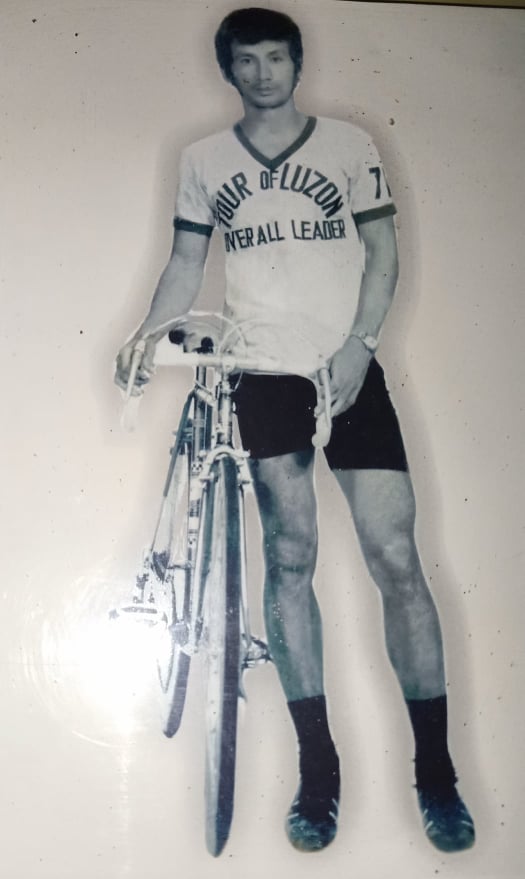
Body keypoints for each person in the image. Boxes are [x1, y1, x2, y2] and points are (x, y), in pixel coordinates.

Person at [115, 7, 475, 855]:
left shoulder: (348, 145)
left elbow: (383, 256)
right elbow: (185, 262)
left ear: (297, 62)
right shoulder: (203, 160)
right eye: (247, 61)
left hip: (344, 369)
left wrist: (359, 348)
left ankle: (436, 774)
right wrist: (144, 334)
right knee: (288, 556)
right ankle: (319, 773)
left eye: (276, 57)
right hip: (262, 373)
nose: (263, 73)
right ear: (228, 71)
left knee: (396, 559)